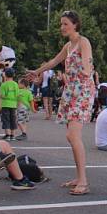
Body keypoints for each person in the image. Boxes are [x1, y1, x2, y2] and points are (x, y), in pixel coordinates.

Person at [27, 10, 95, 196]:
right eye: (61, 24)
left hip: (83, 90)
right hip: (71, 90)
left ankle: (83, 181)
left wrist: (87, 70)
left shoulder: (83, 42)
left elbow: (87, 62)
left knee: (73, 136)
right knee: (71, 136)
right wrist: (37, 72)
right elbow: (54, 62)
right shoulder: (68, 46)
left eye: (65, 23)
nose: (62, 27)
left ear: (75, 24)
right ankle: (79, 177)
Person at [0, 68, 19, 141]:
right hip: (13, 104)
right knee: (13, 119)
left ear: (5, 75)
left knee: (6, 119)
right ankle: (13, 135)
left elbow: (1, 95)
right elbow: (17, 95)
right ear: (13, 75)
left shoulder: (4, 85)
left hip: (5, 104)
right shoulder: (15, 84)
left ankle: (7, 134)